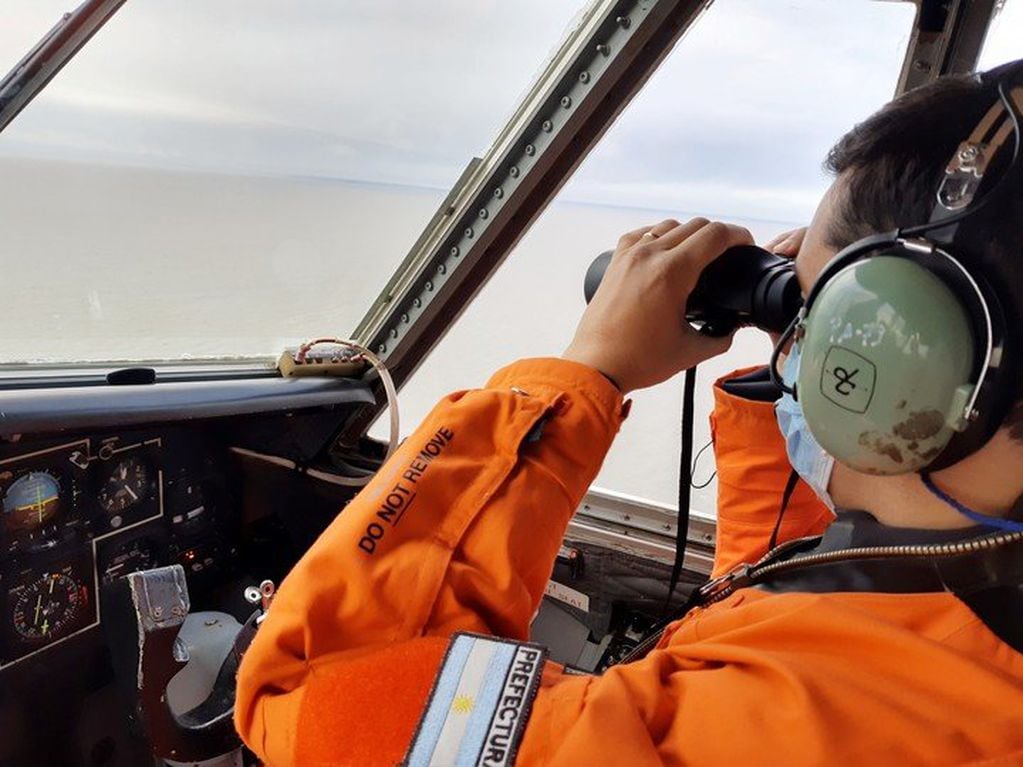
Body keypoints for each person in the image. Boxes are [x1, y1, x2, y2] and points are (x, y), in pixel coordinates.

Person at [234, 66, 1023, 765]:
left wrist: (587, 370)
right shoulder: (931, 642)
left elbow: (311, 692)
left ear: (905, 357)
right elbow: (808, 624)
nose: (799, 340)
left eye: (814, 305)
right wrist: (789, 395)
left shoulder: (781, 724)